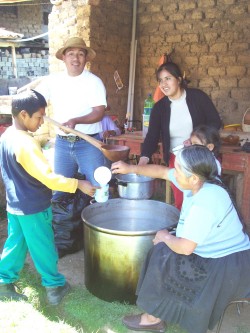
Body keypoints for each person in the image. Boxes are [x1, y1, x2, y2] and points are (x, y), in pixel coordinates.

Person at [111, 145, 250, 333]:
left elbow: (185, 248)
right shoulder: (203, 180)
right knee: (164, 250)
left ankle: (153, 318)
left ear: (193, 178)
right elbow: (160, 171)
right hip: (220, 255)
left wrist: (165, 236)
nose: (173, 173)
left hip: (226, 266)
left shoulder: (205, 203)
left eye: (177, 170)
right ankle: (158, 312)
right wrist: (131, 168)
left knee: (163, 254)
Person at [0, 90, 98, 305]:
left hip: (15, 205)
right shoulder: (26, 144)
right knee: (44, 246)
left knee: (16, 243)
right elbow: (49, 179)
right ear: (23, 115)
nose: (42, 121)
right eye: (39, 116)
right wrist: (78, 184)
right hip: (34, 207)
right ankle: (54, 286)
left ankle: (4, 281)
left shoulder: (7, 136)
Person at [139, 62, 222, 210]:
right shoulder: (159, 108)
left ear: (178, 79)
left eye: (168, 78)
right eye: (160, 80)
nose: (164, 84)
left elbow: (215, 121)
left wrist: (196, 139)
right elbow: (152, 135)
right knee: (182, 200)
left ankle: (205, 229)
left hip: (201, 157)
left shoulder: (198, 97)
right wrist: (144, 157)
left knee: (204, 198)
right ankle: (184, 229)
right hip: (177, 159)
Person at [36, 36, 107, 200]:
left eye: (80, 54)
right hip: (62, 143)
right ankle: (64, 225)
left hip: (89, 143)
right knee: (61, 189)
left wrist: (76, 121)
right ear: (63, 57)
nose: (76, 58)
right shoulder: (53, 80)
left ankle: (96, 223)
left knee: (98, 189)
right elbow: (36, 98)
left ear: (86, 58)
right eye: (71, 54)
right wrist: (37, 111)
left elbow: (99, 112)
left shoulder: (94, 82)